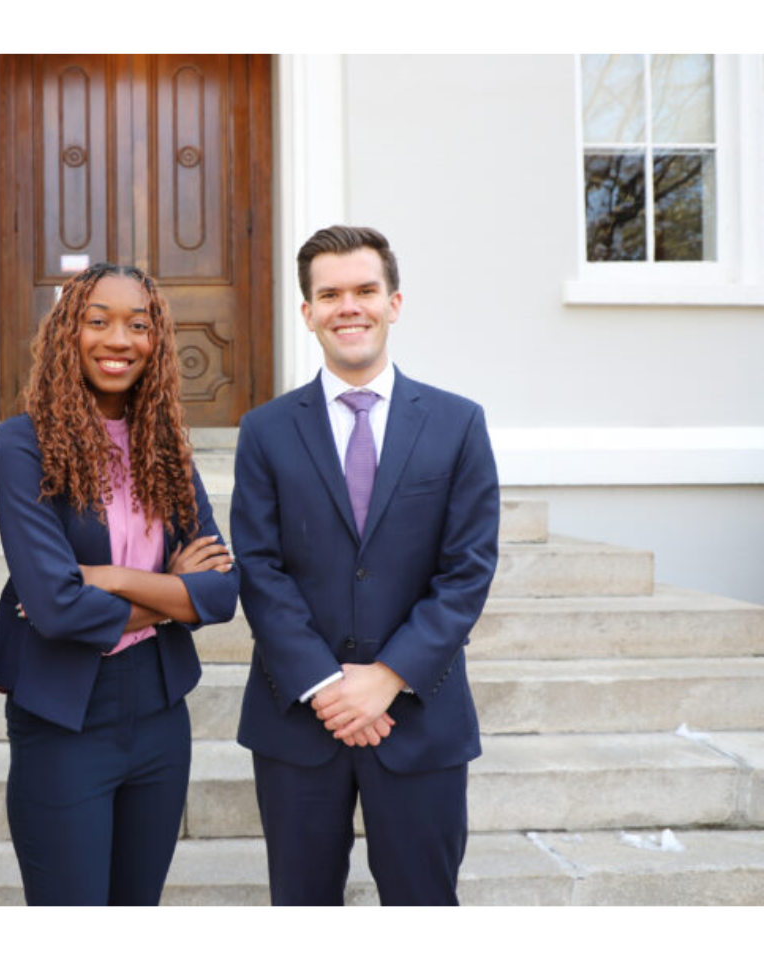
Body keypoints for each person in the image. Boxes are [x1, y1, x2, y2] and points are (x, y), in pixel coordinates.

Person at [232, 225, 500, 906]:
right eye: (330, 294)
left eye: (364, 290)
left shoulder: (457, 423)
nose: (347, 306)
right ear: (309, 312)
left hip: (419, 716)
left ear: (394, 303)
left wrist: (387, 678)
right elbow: (260, 569)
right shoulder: (265, 430)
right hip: (299, 721)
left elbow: (467, 570)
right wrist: (326, 685)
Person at [0, 262, 240, 905]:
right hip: (65, 717)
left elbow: (218, 595)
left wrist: (117, 578)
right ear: (67, 332)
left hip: (158, 715)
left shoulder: (166, 448)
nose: (118, 340)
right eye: (97, 321)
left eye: (138, 324)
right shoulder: (25, 445)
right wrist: (167, 594)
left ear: (157, 340)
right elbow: (55, 608)